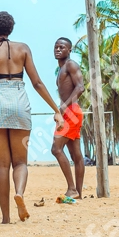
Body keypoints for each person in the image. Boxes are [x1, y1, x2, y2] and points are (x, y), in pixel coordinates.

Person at [0, 11, 64, 224]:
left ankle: (6, 218)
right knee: (20, 162)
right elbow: (37, 83)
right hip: (19, 104)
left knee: (2, 166)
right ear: (10, 29)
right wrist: (56, 110)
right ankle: (20, 193)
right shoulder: (23, 49)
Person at [51, 36, 86, 201]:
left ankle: (72, 189)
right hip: (71, 111)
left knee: (56, 149)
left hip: (71, 111)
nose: (58, 49)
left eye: (62, 47)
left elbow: (80, 87)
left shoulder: (71, 65)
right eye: (56, 47)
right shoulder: (60, 69)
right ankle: (78, 192)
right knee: (75, 154)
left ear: (69, 50)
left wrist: (63, 107)